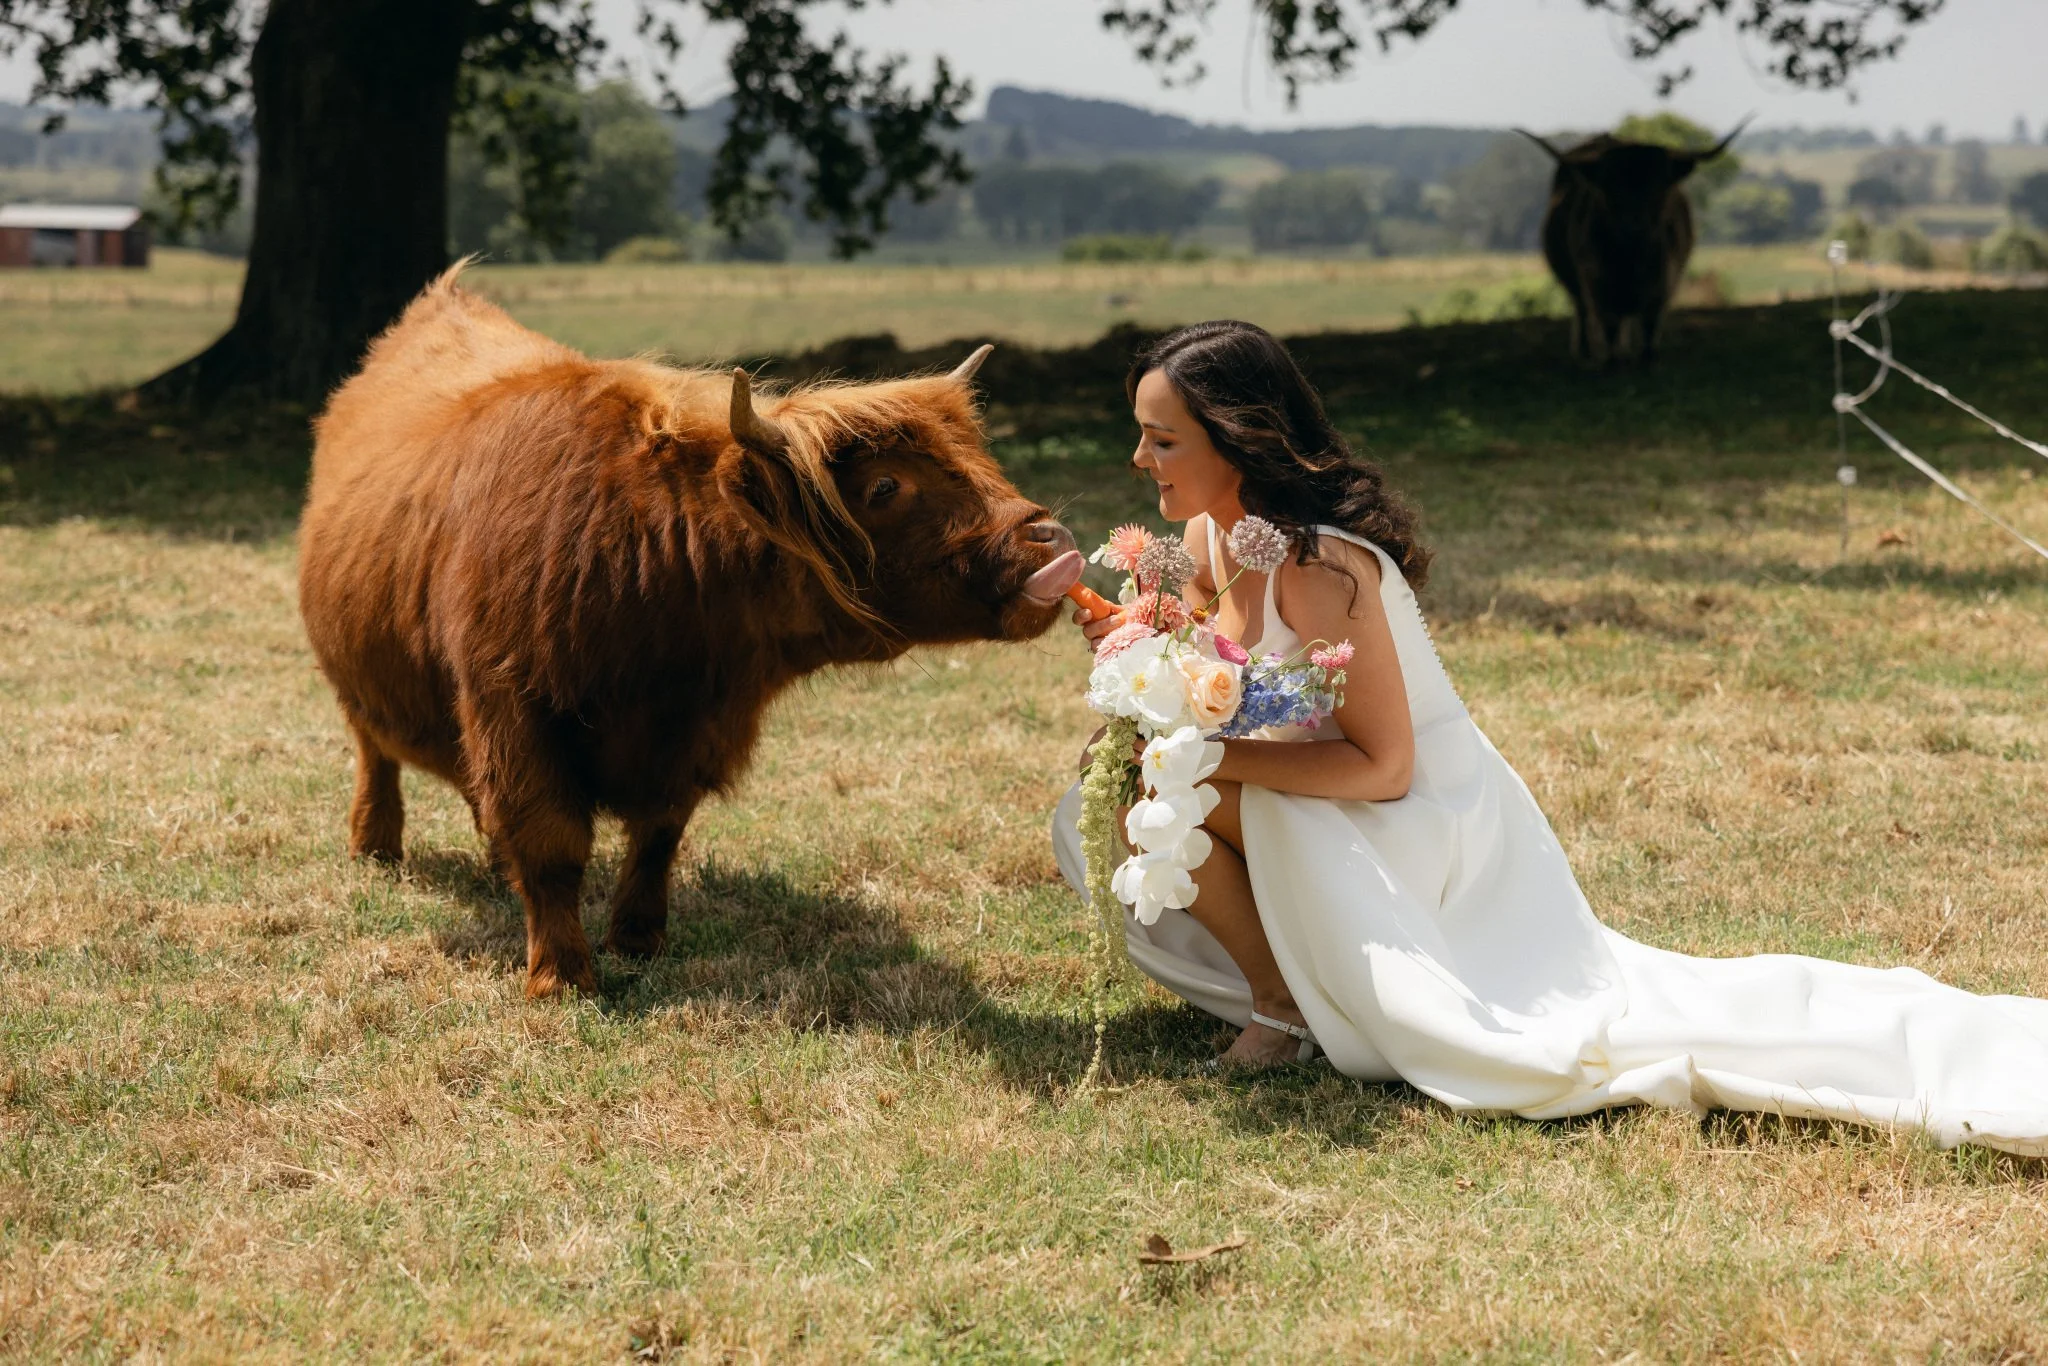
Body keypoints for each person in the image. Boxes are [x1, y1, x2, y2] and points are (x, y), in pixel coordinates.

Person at [1048, 319, 2048, 1155]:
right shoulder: (1206, 542)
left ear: (1236, 438)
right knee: (1098, 801)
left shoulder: (1324, 567)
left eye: (1161, 439)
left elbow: (1386, 765)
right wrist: (1135, 663)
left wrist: (1207, 755)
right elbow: (1212, 686)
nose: (1138, 461)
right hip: (1309, 793)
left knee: (1186, 788)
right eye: (1140, 437)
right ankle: (1285, 989)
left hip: (1422, 826)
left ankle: (1284, 1005)